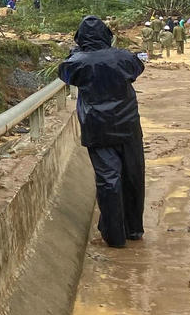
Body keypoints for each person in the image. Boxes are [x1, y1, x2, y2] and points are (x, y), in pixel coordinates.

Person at [59, 16, 146, 248]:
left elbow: (64, 74)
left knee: (108, 179)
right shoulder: (124, 57)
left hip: (97, 127)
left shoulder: (77, 62)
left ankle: (114, 235)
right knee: (133, 175)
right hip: (128, 126)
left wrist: (76, 52)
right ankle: (134, 228)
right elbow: (138, 68)